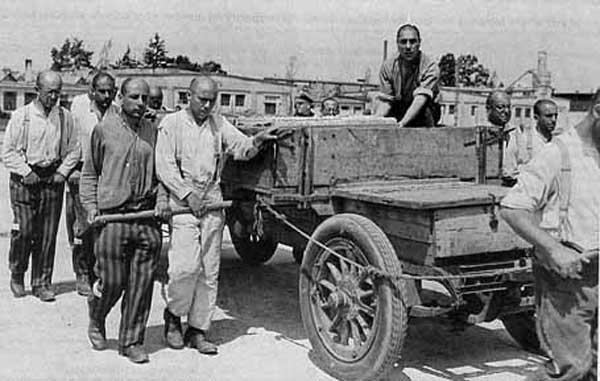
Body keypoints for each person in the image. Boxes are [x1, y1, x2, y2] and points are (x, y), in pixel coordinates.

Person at [155, 76, 280, 354]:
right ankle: (174, 317)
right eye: (202, 99)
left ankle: (198, 330)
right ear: (189, 96)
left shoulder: (218, 124)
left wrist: (256, 141)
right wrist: (188, 195)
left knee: (209, 272)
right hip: (183, 202)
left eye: (212, 100)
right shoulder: (171, 124)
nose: (208, 105)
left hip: (212, 199)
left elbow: (241, 147)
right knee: (184, 268)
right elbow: (164, 166)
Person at [500, 89, 600, 381]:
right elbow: (512, 208)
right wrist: (554, 249)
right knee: (572, 369)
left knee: (588, 366)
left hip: (597, 273)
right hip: (566, 280)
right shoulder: (558, 153)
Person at [80, 78, 171, 364]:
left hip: (146, 218)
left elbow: (163, 174)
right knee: (113, 281)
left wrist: (162, 201)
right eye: (134, 97)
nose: (141, 103)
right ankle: (97, 315)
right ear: (121, 97)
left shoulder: (154, 132)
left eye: (145, 98)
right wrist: (91, 206)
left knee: (142, 284)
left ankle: (131, 340)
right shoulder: (103, 130)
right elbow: (90, 173)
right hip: (113, 218)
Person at [2, 70, 79, 302]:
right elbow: (8, 152)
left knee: (47, 234)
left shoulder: (65, 117)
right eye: (49, 92)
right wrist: (26, 172)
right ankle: (17, 273)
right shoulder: (22, 116)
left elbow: (75, 150)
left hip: (52, 179)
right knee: (24, 231)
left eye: (58, 92)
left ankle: (41, 282)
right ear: (37, 91)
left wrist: (62, 172)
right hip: (25, 179)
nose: (54, 97)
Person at [66, 71, 118, 296]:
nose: (106, 96)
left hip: (107, 177)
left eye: (110, 91)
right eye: (102, 91)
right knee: (83, 228)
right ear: (92, 92)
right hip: (81, 174)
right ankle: (83, 274)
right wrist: (70, 170)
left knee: (103, 227)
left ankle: (100, 273)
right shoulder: (78, 109)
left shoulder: (117, 113)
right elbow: (68, 140)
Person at [375, 24, 440, 127]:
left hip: (424, 110)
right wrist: (376, 121)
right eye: (403, 42)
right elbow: (386, 102)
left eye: (413, 41)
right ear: (397, 43)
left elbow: (420, 99)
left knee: (425, 111)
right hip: (400, 107)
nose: (408, 47)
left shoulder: (430, 66)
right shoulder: (388, 66)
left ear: (419, 43)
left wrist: (402, 124)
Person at [502, 99, 558, 186]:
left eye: (555, 116)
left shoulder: (558, 142)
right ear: (536, 117)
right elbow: (508, 173)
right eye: (548, 116)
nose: (554, 120)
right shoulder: (521, 138)